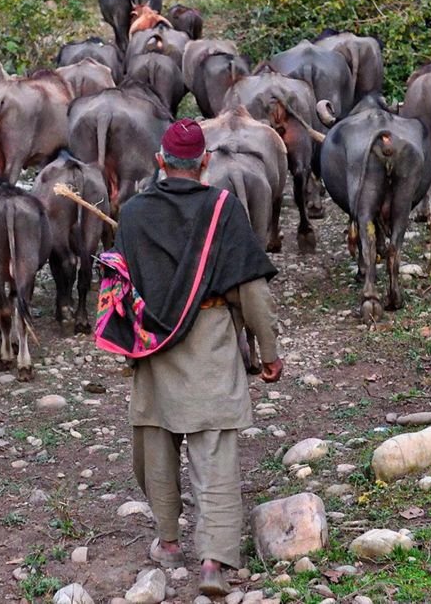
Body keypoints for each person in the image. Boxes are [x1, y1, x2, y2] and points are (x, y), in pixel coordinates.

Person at [100, 118, 283, 595]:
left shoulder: (134, 213)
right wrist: (268, 350)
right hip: (212, 344)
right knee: (215, 452)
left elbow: (118, 288)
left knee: (155, 445)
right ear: (205, 164)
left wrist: (127, 347)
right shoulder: (224, 209)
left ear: (160, 162)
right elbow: (252, 290)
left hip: (154, 348)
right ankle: (213, 563)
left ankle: (167, 540)